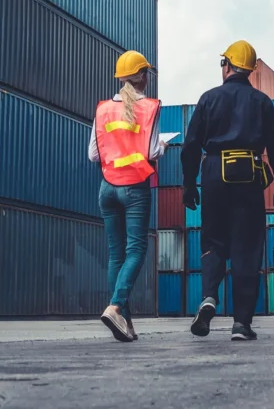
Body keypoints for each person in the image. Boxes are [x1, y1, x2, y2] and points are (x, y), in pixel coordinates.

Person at [181, 40, 274, 341]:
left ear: (226, 66)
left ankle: (208, 298)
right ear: (251, 71)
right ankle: (241, 324)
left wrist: (189, 184)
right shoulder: (262, 101)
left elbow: (190, 147)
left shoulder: (208, 99)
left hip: (215, 173)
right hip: (248, 177)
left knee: (214, 241)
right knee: (246, 247)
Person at [89, 50, 163, 342]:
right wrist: (165, 148)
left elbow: (94, 154)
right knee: (136, 251)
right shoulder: (149, 108)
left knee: (116, 255)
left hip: (107, 187)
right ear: (143, 76)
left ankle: (126, 324)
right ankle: (117, 305)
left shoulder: (103, 109)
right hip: (134, 188)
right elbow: (153, 151)